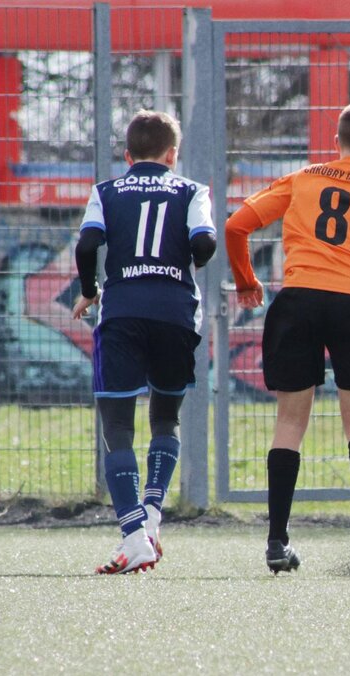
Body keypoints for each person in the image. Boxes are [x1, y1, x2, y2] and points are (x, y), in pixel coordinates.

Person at [225, 102, 350, 578]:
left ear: (337, 142)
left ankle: (277, 541)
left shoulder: (303, 178)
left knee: (289, 423)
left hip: (297, 301)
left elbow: (236, 226)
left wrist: (247, 281)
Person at [72, 110, 217, 574]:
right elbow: (205, 243)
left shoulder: (106, 191)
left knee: (117, 424)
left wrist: (90, 289)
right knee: (166, 417)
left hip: (122, 313)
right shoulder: (192, 190)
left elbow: (86, 245)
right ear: (172, 155)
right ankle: (152, 517)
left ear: (127, 155)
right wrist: (188, 260)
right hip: (176, 314)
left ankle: (134, 535)